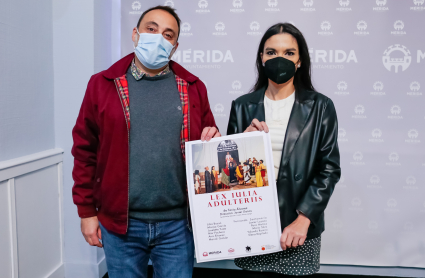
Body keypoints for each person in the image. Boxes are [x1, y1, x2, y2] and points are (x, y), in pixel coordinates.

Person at [71, 6, 221, 278]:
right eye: (151, 29)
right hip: (121, 225)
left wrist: (214, 139)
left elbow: (208, 140)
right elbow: (84, 151)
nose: (158, 37)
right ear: (135, 34)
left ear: (174, 46)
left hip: (178, 225)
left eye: (168, 34)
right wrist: (86, 212)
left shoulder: (193, 87)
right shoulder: (102, 85)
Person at [227, 23, 340, 276]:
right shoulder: (242, 106)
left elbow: (329, 169)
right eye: (271, 52)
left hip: (299, 227)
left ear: (300, 60)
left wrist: (304, 218)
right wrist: (242, 145)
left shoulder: (320, 106)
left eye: (289, 53)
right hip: (254, 224)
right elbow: (230, 176)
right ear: (261, 58)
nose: (280, 59)